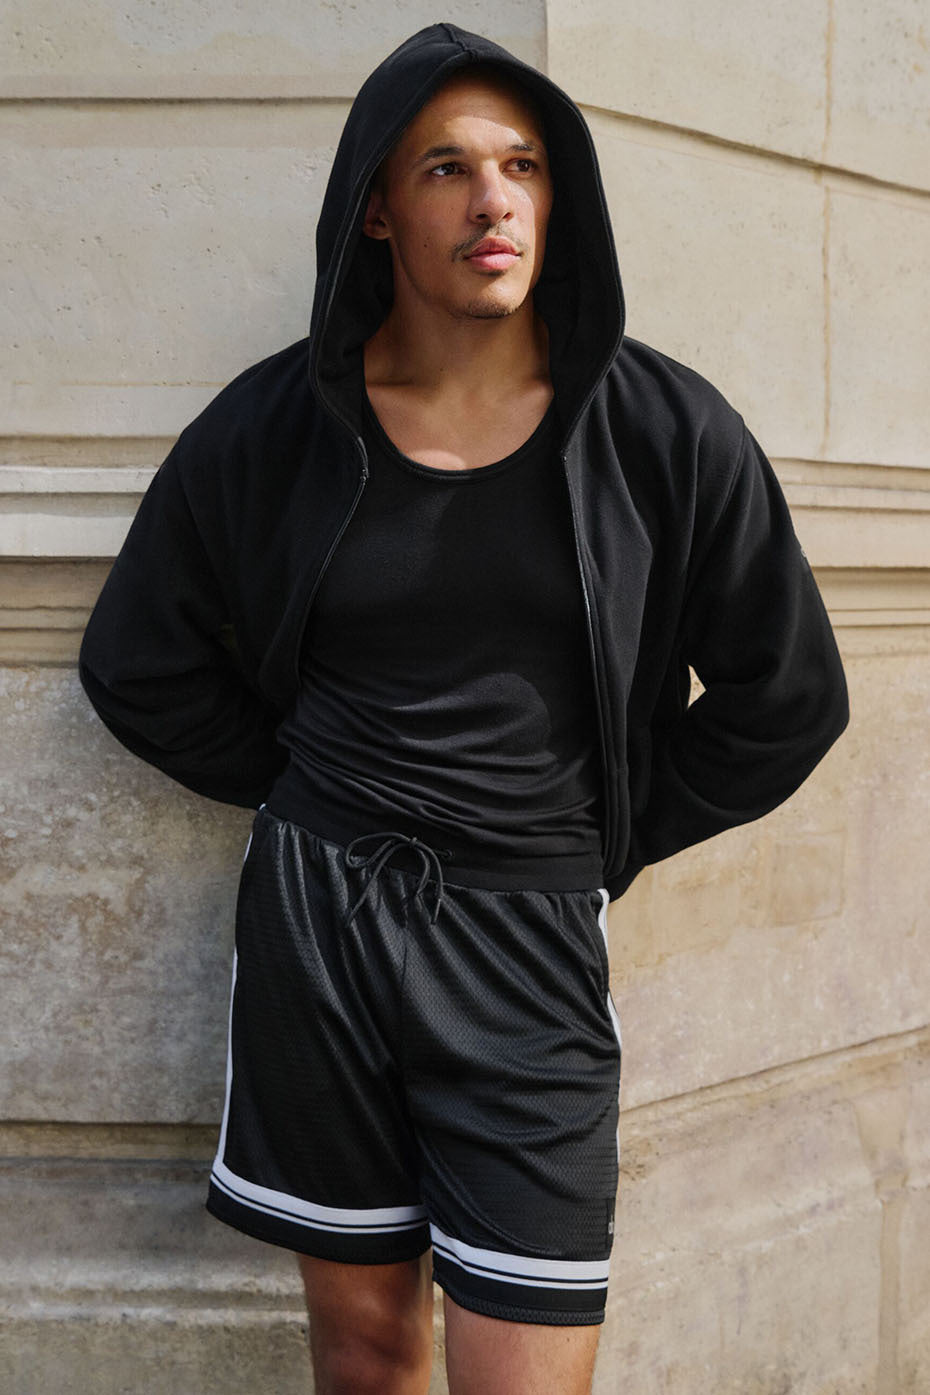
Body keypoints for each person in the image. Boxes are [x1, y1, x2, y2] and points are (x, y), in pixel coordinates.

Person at [78, 21, 849, 1395]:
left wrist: (600, 838)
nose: (495, 200)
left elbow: (785, 697)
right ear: (377, 206)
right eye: (446, 167)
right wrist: (305, 784)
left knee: (524, 1370)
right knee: (367, 1356)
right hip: (322, 922)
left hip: (528, 944)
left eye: (524, 165)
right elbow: (138, 660)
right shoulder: (277, 426)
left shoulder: (663, 432)